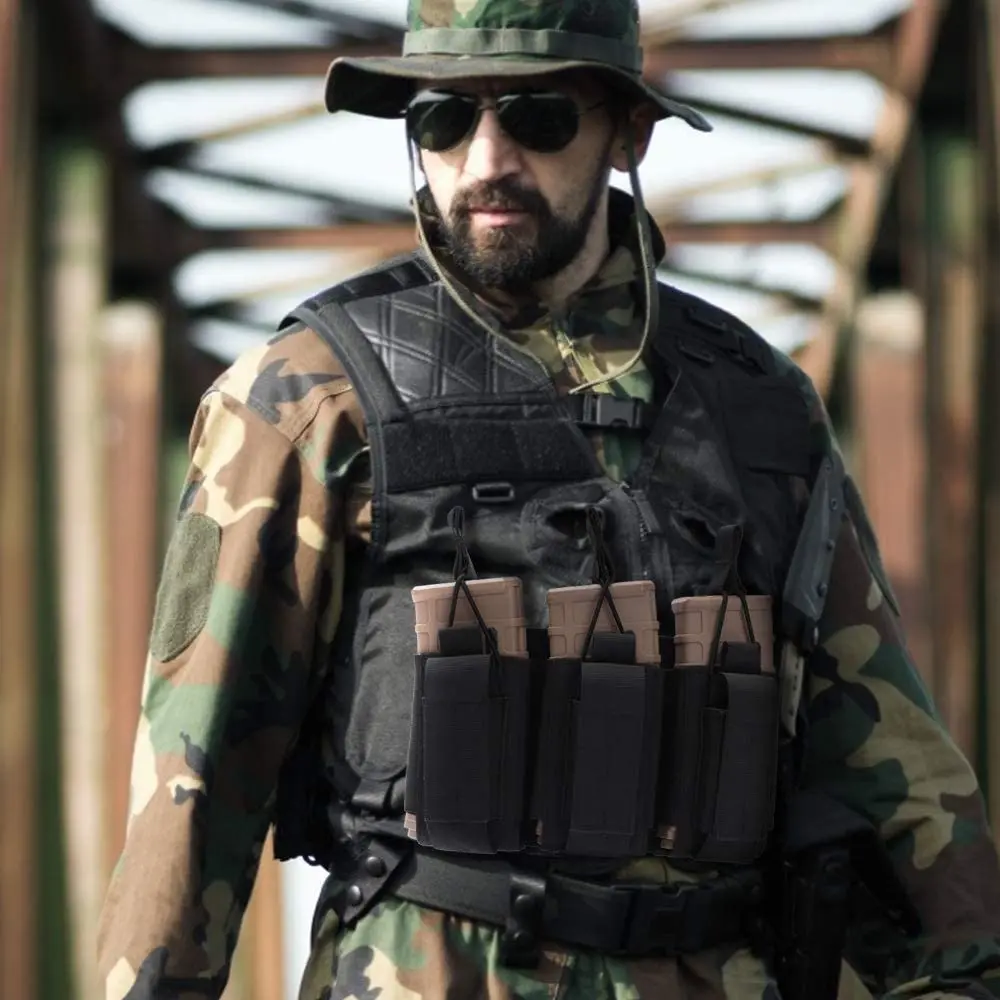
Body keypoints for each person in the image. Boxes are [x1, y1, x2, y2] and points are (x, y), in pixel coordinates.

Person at [97, 2, 1000, 998]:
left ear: (629, 131)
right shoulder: (307, 399)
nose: (486, 160)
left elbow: (894, 775)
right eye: (443, 119)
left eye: (538, 116)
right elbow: (191, 794)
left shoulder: (760, 409)